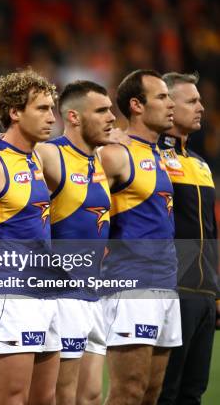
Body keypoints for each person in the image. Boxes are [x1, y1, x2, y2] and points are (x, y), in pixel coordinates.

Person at [0, 69, 62, 404]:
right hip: (12, 295)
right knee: (12, 398)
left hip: (46, 292)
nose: (52, 117)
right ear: (15, 113)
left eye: (52, 108)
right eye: (42, 109)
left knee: (44, 399)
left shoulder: (36, 157)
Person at [98, 69, 181, 405]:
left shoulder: (160, 154)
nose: (170, 103)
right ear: (136, 105)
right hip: (130, 285)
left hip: (165, 282)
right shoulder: (116, 153)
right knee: (128, 392)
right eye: (162, 96)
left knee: (151, 394)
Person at [35, 81, 115, 405]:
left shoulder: (99, 161)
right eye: (102, 111)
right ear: (74, 117)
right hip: (64, 296)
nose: (112, 117)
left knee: (91, 396)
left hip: (94, 297)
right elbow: (11, 155)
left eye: (111, 109)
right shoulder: (52, 154)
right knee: (61, 396)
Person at [157, 72, 218, 404]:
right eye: (192, 101)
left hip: (204, 294)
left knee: (193, 392)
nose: (201, 107)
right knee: (163, 392)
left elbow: (211, 232)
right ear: (168, 105)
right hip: (170, 291)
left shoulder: (201, 164)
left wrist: (216, 293)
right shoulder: (148, 159)